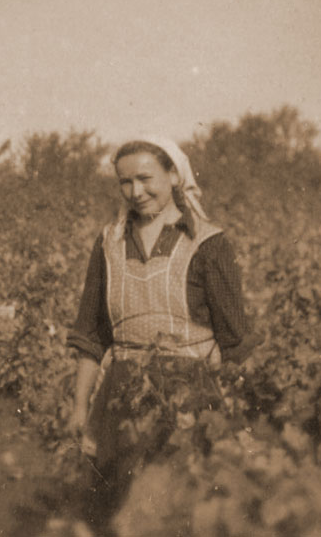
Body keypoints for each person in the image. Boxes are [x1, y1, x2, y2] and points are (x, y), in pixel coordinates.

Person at [65, 136, 259, 525]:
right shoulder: (109, 243)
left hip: (188, 399)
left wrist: (239, 421)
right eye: (125, 182)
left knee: (182, 508)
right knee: (118, 509)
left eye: (145, 178)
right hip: (120, 400)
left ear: (173, 175)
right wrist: (81, 405)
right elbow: (92, 336)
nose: (135, 192)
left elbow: (236, 342)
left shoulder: (207, 243)